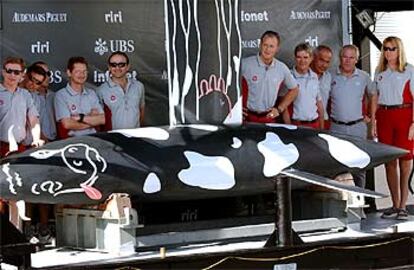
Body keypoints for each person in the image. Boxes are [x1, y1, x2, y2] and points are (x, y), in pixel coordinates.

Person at [372, 36, 414, 220]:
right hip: (384, 117)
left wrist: (413, 124)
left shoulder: (409, 71)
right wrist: (373, 120)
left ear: (399, 50)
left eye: (392, 48)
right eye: (386, 48)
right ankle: (395, 204)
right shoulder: (379, 71)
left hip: (404, 116)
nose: (388, 52)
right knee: (390, 162)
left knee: (405, 162)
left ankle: (404, 205)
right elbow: (374, 96)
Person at [0, 57, 44, 227]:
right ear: (3, 72)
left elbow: (33, 119)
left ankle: (16, 234)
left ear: (22, 75)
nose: (12, 75)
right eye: (9, 71)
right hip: (0, 147)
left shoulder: (25, 95)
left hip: (18, 149)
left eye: (16, 72)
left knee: (16, 192)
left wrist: (37, 137)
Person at [329, 44, 376, 189]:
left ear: (356, 59)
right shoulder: (330, 76)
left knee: (359, 168)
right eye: (345, 57)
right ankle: (342, 204)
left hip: (357, 127)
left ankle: (360, 203)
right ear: (340, 58)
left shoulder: (364, 77)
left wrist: (371, 117)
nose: (348, 60)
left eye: (351, 57)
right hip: (336, 127)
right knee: (338, 167)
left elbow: (373, 95)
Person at [241, 30, 298, 123]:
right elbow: (228, 83)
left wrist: (279, 109)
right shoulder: (245, 64)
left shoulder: (281, 68)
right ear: (260, 45)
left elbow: (295, 90)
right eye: (265, 45)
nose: (268, 49)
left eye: (271, 46)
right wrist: (234, 108)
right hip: (248, 118)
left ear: (277, 48)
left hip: (268, 118)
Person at [54, 56, 105, 138]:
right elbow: (67, 124)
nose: (82, 75)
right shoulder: (61, 95)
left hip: (94, 139)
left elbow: (102, 119)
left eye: (84, 71)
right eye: (78, 71)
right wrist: (92, 121)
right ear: (69, 73)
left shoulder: (91, 93)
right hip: (72, 142)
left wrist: (80, 118)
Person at [97, 51, 145, 130]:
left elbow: (141, 111)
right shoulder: (101, 90)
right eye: (113, 65)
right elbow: (99, 120)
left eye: (121, 65)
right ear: (109, 67)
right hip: (113, 139)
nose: (117, 68)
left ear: (128, 66)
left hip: (135, 138)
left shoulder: (139, 86)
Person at [285, 43, 324, 129]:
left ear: (311, 58)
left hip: (314, 124)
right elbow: (284, 106)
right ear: (295, 58)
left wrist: (321, 126)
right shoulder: (289, 76)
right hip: (296, 125)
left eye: (305, 57)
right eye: (299, 57)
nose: (302, 61)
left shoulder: (314, 76)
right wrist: (289, 127)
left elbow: (319, 102)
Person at [310, 45, 333, 129]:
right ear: (313, 58)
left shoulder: (329, 77)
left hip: (324, 121)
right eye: (321, 60)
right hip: (306, 122)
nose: (324, 65)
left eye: (327, 62)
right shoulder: (301, 74)